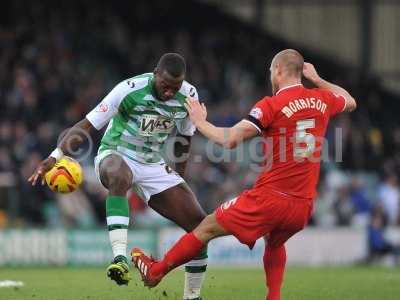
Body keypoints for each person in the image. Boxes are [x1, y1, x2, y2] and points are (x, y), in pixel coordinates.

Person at [131, 49, 357, 300]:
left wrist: (200, 121)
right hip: (303, 206)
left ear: (279, 71)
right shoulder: (320, 99)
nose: (271, 76)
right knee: (275, 242)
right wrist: (316, 79)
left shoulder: (271, 104)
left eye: (272, 71)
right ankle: (274, 297)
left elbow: (230, 140)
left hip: (270, 199)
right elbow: (349, 100)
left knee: (205, 228)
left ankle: (156, 271)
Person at [28, 53, 208, 300]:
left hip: (152, 164)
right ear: (156, 73)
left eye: (174, 88)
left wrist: (179, 177)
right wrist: (54, 157)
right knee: (119, 175)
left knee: (201, 226)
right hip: (115, 154)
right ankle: (120, 259)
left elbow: (185, 138)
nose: (169, 93)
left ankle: (192, 296)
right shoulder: (128, 90)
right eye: (165, 86)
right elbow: (87, 125)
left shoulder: (188, 97)